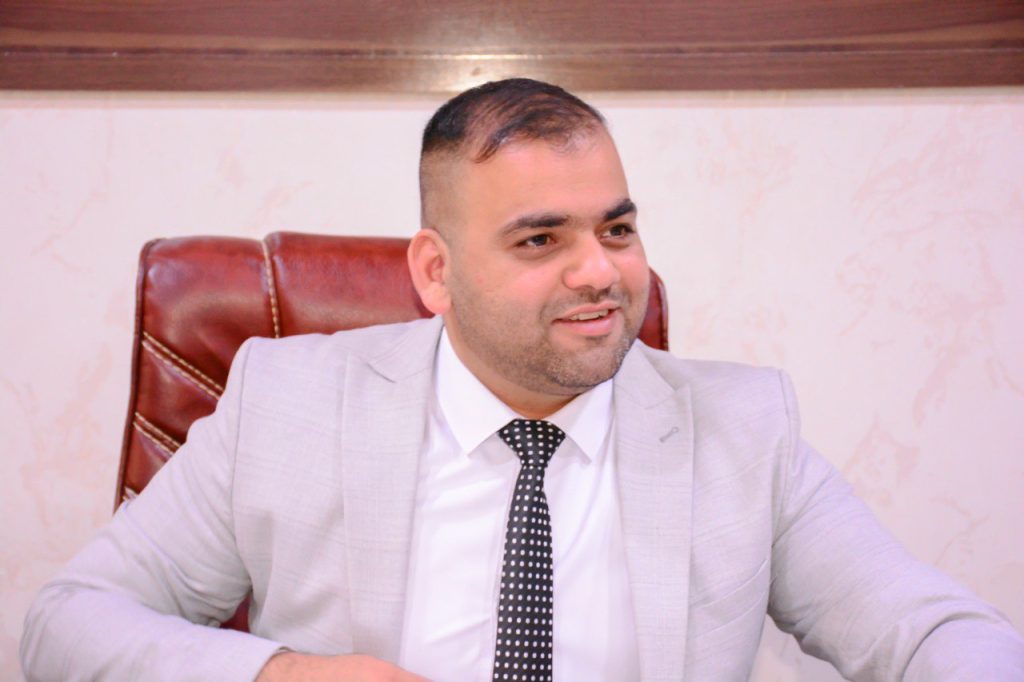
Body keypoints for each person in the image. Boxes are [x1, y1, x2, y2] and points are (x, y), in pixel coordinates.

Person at [20, 79, 1024, 682]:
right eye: (541, 239)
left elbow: (928, 633)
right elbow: (68, 623)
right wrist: (283, 674)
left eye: (616, 229)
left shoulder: (742, 428)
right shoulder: (286, 403)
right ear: (435, 272)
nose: (600, 273)